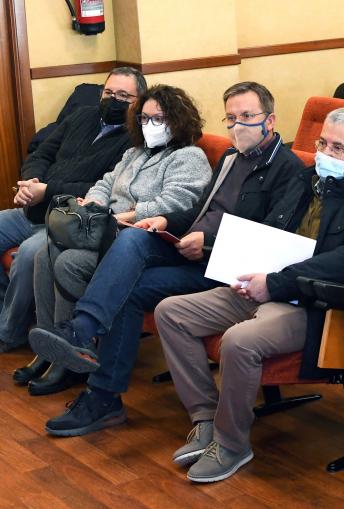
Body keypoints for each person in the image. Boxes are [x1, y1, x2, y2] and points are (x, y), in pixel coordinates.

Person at [24, 82, 305, 436]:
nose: (237, 126)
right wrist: (168, 222)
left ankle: (95, 376)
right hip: (192, 248)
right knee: (136, 240)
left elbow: (269, 239)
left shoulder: (290, 170)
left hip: (225, 266)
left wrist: (208, 243)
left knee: (128, 287)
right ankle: (92, 362)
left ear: (270, 120)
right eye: (231, 118)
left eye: (247, 117)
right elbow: (200, 210)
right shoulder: (233, 158)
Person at [155, 107, 344, 483]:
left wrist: (276, 281)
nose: (325, 153)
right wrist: (243, 262)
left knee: (239, 340)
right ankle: (205, 419)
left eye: (338, 148)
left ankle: (231, 444)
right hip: (266, 285)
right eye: (322, 143)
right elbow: (269, 229)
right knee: (171, 313)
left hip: (317, 303)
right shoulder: (305, 179)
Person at [26, 84, 211, 396]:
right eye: (144, 118)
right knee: (44, 254)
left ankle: (72, 356)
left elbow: (178, 203)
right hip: (105, 230)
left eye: (159, 119)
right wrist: (93, 205)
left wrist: (130, 213)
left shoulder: (189, 157)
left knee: (70, 262)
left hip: (140, 237)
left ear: (178, 120)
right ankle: (52, 346)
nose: (150, 125)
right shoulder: (134, 153)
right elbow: (105, 182)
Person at [0, 67, 145, 356]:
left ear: (139, 101)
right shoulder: (81, 116)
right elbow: (41, 152)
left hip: (72, 220)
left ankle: (10, 333)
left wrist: (49, 189)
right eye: (108, 92)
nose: (113, 99)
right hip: (35, 208)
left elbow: (103, 187)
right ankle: (12, 313)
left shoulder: (136, 140)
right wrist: (32, 182)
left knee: (29, 254)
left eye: (123, 95)